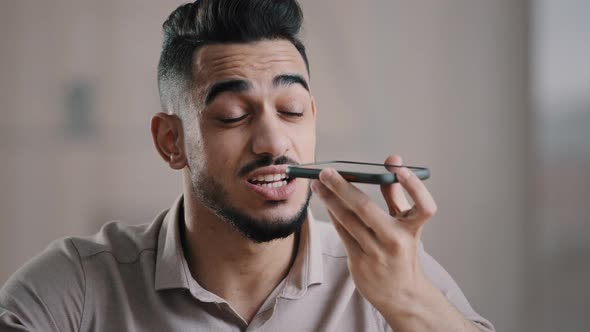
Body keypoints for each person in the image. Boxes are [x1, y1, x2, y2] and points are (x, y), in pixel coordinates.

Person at [0, 0, 495, 331]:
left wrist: (409, 301)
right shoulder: (78, 286)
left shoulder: (390, 274)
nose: (274, 140)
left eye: (292, 110)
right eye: (233, 115)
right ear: (171, 141)